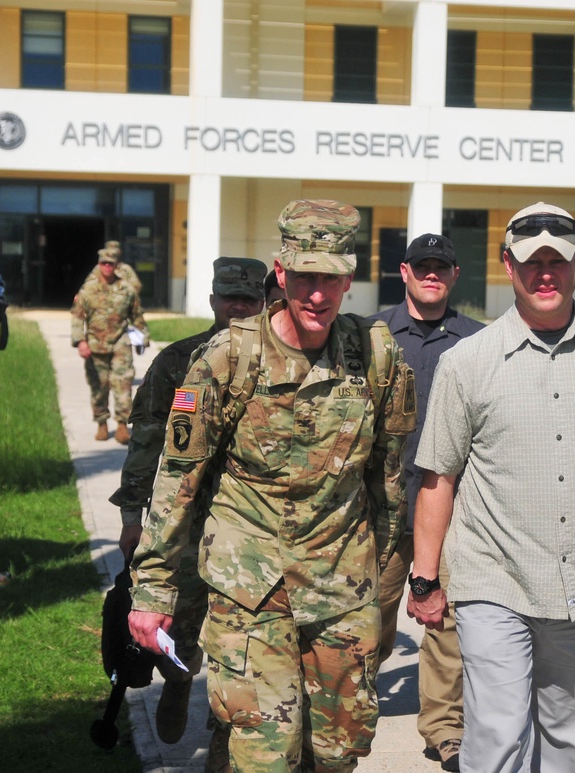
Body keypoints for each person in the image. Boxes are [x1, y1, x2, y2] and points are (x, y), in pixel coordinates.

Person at [128, 199, 415, 773]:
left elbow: (387, 476)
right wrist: (153, 588)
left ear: (348, 278)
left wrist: (378, 575)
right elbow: (178, 478)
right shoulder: (228, 357)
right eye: (305, 276)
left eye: (330, 278)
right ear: (280, 274)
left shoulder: (375, 355)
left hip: (340, 582)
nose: (317, 294)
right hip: (249, 585)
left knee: (339, 752)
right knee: (265, 755)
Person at [407, 202, 575, 773]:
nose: (545, 273)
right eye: (533, 262)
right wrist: (425, 577)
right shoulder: (468, 361)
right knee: (499, 730)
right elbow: (439, 477)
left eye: (558, 260)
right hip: (492, 580)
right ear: (510, 265)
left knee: (566, 734)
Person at [109, 257, 266, 764]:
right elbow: (147, 442)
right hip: (186, 521)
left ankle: (229, 734)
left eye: (249, 299)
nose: (239, 307)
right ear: (214, 299)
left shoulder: (284, 361)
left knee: (241, 638)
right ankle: (179, 678)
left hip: (252, 525)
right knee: (182, 622)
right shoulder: (178, 361)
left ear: (265, 301)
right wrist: (133, 516)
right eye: (230, 298)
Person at [368, 233, 484, 772]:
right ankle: (350, 703)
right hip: (381, 508)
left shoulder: (479, 341)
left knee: (445, 624)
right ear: (405, 272)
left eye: (441, 267)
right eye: (423, 266)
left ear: (454, 275)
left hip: (453, 509)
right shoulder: (370, 336)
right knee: (369, 620)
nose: (432, 274)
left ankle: (445, 729)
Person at [71, 247, 148, 444]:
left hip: (120, 342)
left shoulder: (127, 289)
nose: (107, 266)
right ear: (99, 264)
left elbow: (137, 317)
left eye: (110, 263)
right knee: (99, 385)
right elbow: (78, 317)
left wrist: (142, 340)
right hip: (95, 344)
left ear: (116, 265)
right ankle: (102, 423)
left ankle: (122, 425)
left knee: (122, 382)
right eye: (104, 263)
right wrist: (80, 341)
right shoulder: (88, 289)